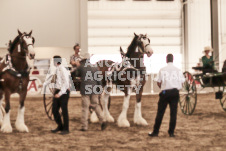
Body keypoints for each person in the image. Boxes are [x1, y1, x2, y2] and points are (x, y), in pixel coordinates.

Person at [149, 54, 185, 137]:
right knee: (173, 113)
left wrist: (162, 87)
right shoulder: (178, 70)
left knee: (160, 113)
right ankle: (171, 132)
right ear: (173, 60)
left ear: (166, 60)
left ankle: (155, 132)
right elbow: (182, 82)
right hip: (175, 92)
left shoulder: (162, 69)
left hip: (165, 93)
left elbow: (158, 82)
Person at [76, 52, 107, 131]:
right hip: (94, 89)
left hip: (85, 89)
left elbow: (75, 74)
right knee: (95, 105)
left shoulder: (81, 67)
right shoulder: (95, 67)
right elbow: (99, 79)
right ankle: (102, 120)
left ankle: (84, 126)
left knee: (85, 108)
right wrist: (100, 89)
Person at [44, 56, 71, 135]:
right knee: (54, 110)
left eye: (53, 61)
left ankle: (66, 129)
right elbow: (54, 80)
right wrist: (45, 84)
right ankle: (60, 126)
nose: (52, 62)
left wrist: (59, 94)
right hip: (58, 91)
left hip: (64, 92)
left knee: (64, 110)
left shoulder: (63, 70)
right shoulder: (57, 69)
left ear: (55, 61)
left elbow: (66, 84)